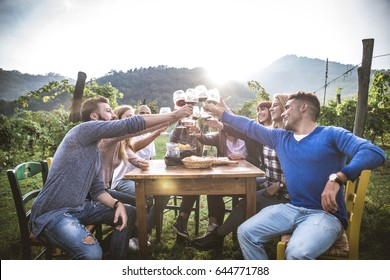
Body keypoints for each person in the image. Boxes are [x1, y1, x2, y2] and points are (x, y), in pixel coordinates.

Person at [204, 91, 386, 259]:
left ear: (303, 107)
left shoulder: (331, 134)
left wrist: (338, 178)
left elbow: (374, 152)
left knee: (295, 253)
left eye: (287, 108)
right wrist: (223, 114)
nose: (283, 113)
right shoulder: (281, 138)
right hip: (292, 208)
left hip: (326, 215)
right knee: (245, 232)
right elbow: (250, 126)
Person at [30, 96, 192, 259]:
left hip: (80, 207)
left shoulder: (94, 151)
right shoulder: (83, 130)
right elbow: (131, 125)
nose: (113, 115)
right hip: (53, 214)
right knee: (91, 253)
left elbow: (97, 190)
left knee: (129, 212)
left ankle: (114, 259)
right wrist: (173, 115)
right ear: (94, 116)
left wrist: (117, 204)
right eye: (108, 111)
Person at [192, 95, 290, 251]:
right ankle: (215, 227)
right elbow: (244, 128)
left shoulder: (287, 135)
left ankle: (217, 237)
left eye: (274, 105)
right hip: (269, 182)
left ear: (286, 108)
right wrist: (223, 116)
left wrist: (280, 184)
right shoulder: (272, 132)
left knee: (246, 201)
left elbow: (297, 167)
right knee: (220, 186)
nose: (271, 108)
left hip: (283, 192)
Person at [110, 104, 169, 250]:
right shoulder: (118, 138)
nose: (132, 120)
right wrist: (155, 133)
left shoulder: (129, 138)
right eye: (128, 117)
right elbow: (133, 149)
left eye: (132, 117)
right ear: (118, 119)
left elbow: (139, 155)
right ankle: (137, 234)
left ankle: (142, 233)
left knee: (165, 193)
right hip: (124, 180)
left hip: (141, 179)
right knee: (146, 197)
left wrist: (141, 163)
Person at [169, 117, 204, 243]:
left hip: (192, 171)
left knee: (193, 186)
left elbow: (200, 154)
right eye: (186, 120)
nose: (189, 123)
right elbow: (172, 140)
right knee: (192, 187)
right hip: (176, 170)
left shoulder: (197, 133)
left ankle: (181, 223)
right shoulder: (178, 131)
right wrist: (180, 122)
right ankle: (181, 224)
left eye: (192, 120)